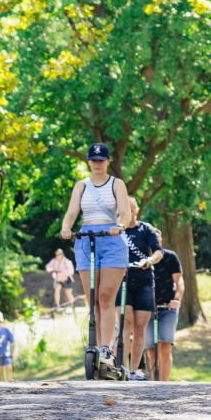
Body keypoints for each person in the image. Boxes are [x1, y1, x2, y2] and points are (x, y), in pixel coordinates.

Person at [59, 142, 132, 359]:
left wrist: (119, 227)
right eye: (93, 160)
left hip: (110, 239)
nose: (97, 164)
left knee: (106, 295)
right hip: (86, 239)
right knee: (93, 300)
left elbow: (126, 214)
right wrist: (66, 228)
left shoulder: (116, 184)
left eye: (101, 160)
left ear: (108, 161)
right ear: (89, 162)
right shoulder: (81, 186)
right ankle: (97, 345)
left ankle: (105, 348)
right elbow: (72, 212)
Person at [116, 196, 164, 379]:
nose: (127, 213)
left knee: (139, 328)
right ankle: (121, 368)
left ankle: (134, 370)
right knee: (125, 324)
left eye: (130, 209)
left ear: (136, 210)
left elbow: (158, 251)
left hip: (144, 280)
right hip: (122, 280)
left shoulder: (146, 229)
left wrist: (149, 260)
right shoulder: (116, 231)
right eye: (123, 209)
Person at [145, 238, 184, 381]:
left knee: (165, 347)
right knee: (150, 350)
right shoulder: (142, 258)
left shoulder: (170, 257)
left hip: (167, 308)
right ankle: (153, 384)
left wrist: (177, 299)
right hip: (147, 308)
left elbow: (179, 281)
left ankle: (164, 384)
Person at [44, 249, 76, 315]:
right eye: (56, 254)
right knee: (56, 291)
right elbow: (48, 267)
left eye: (58, 254)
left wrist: (62, 272)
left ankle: (73, 306)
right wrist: (51, 269)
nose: (57, 256)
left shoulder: (67, 261)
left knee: (68, 293)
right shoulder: (54, 261)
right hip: (58, 279)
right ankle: (58, 306)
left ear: (62, 255)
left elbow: (71, 271)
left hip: (67, 279)